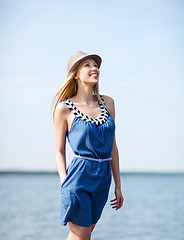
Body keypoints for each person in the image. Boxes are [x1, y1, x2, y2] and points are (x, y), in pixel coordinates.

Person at [52, 51, 124, 240]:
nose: (94, 69)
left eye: (96, 65)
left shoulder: (108, 103)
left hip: (103, 178)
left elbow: (113, 147)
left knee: (82, 236)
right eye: (87, 65)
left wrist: (118, 185)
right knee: (82, 235)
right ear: (75, 74)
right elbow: (59, 151)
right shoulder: (64, 108)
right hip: (79, 177)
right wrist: (64, 182)